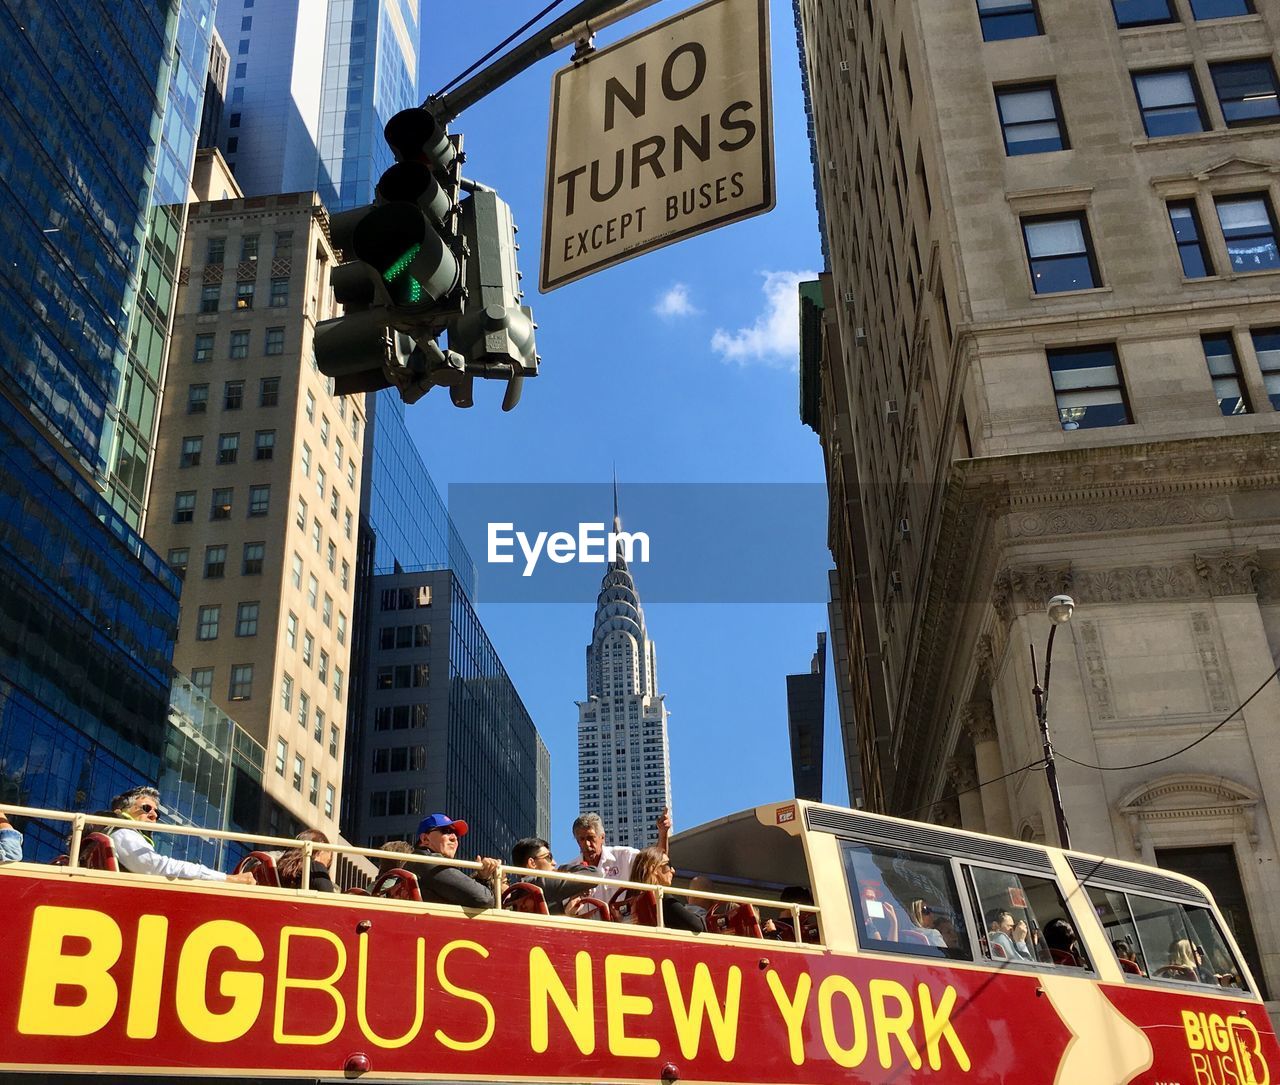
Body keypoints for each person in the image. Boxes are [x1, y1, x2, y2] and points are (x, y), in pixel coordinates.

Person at [106, 786, 255, 883]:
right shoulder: (123, 833)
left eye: (157, 812)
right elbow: (157, 866)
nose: (154, 815)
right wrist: (227, 878)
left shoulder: (122, 834)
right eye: (146, 808)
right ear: (121, 810)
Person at [572, 807, 671, 902]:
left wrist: (663, 832)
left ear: (602, 837)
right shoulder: (571, 870)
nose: (587, 844)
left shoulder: (624, 856)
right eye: (582, 839)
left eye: (591, 838)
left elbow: (657, 861)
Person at [411, 813, 502, 907]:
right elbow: (484, 899)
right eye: (446, 831)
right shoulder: (431, 863)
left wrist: (482, 878)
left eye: (456, 834)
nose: (454, 838)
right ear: (425, 839)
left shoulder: (417, 862)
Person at [628, 847, 703, 933]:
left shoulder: (628, 900)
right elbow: (697, 926)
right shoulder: (661, 898)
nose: (673, 870)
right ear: (654, 869)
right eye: (668, 865)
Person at [510, 837, 584, 912]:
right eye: (549, 857)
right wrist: (563, 868)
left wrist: (567, 913)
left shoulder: (513, 893)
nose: (554, 863)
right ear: (532, 863)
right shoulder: (544, 884)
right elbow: (593, 873)